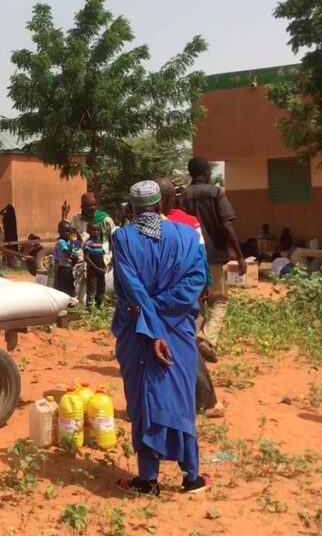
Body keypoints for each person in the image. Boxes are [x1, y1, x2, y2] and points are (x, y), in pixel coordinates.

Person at [113, 180, 208, 496]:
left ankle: (148, 479)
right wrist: (164, 312)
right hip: (178, 329)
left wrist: (152, 323)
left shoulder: (123, 238)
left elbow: (131, 287)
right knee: (181, 399)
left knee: (144, 401)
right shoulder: (186, 235)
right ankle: (192, 476)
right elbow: (197, 279)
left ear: (134, 207)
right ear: (161, 204)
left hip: (139, 328)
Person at [156, 178, 222, 417]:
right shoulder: (189, 222)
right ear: (172, 198)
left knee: (174, 343)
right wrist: (203, 287)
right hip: (184, 294)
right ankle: (203, 399)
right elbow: (200, 257)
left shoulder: (145, 226)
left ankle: (196, 399)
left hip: (160, 297)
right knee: (185, 341)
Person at [180, 157, 245, 357]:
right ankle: (207, 340)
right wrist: (239, 255)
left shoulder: (183, 196)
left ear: (190, 173)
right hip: (213, 255)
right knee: (219, 299)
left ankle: (192, 343)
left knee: (197, 300)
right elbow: (227, 224)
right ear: (207, 172)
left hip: (189, 257)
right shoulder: (215, 192)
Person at [83, 222, 106, 306]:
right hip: (93, 271)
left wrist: (103, 266)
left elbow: (100, 255)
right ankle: (89, 308)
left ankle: (98, 306)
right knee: (92, 290)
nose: (96, 232)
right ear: (88, 231)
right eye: (94, 230)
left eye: (97, 230)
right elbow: (86, 257)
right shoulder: (88, 243)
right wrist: (96, 268)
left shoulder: (99, 242)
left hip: (100, 270)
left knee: (101, 289)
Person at [54, 221, 77, 296]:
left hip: (69, 268)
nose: (68, 233)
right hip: (63, 268)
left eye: (69, 231)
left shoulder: (68, 242)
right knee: (64, 288)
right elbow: (67, 253)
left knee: (70, 287)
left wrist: (75, 233)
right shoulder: (61, 242)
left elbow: (78, 242)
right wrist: (71, 242)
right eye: (66, 231)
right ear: (59, 232)